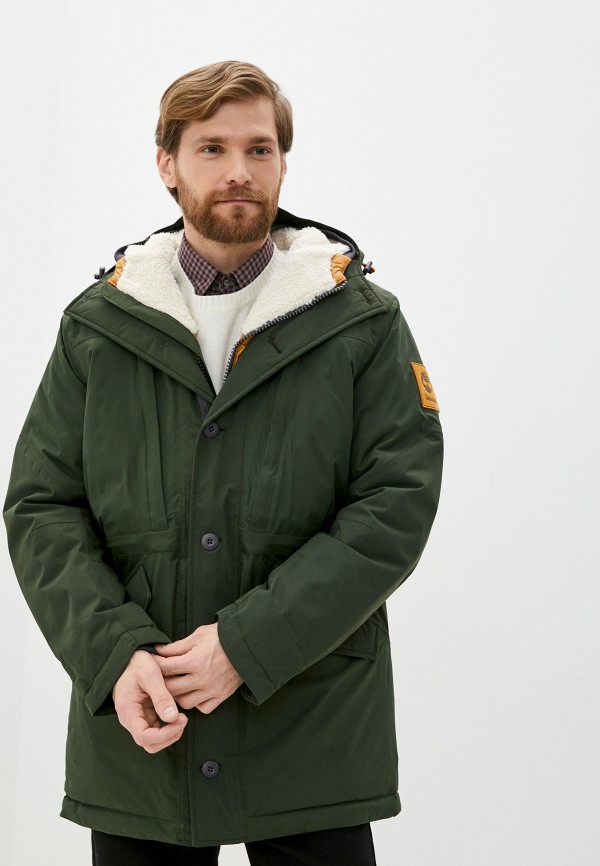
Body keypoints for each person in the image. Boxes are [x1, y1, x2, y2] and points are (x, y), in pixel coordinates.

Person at [4, 60, 443, 865]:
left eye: (259, 148)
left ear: (283, 163)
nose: (239, 170)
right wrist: (114, 654)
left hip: (311, 723)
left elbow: (395, 503)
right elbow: (41, 506)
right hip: (146, 723)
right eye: (211, 148)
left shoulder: (362, 323)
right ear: (166, 164)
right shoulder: (99, 325)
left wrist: (248, 645)